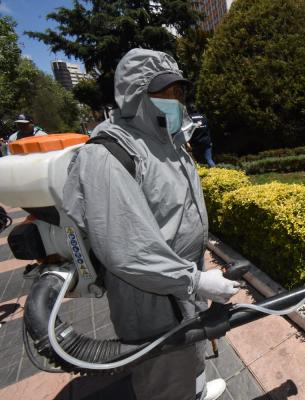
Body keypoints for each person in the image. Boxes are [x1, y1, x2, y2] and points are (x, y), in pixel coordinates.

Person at [61, 48, 239, 400]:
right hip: (150, 292)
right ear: (135, 94)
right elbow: (128, 249)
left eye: (177, 91)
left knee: (190, 351)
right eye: (164, 91)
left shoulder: (167, 141)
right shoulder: (108, 154)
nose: (174, 99)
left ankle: (197, 392)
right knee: (164, 373)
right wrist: (196, 281)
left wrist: (195, 276)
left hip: (181, 277)